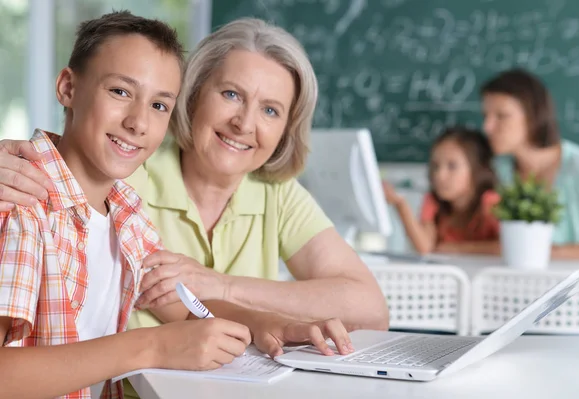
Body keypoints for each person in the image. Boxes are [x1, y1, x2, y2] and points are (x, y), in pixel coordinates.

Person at [0, 17, 387, 353]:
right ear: (194, 95)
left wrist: (241, 302)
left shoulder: (127, 210)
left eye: (270, 110)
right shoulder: (125, 172)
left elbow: (370, 308)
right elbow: (69, 160)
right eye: (231, 94)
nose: (245, 123)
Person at [0, 11, 253, 399]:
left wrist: (275, 327)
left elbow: (184, 308)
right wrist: (151, 346)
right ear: (68, 88)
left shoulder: (126, 215)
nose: (139, 123)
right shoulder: (21, 202)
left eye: (159, 106)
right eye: (120, 92)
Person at [481, 68, 579, 259]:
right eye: (485, 116)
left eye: (501, 116)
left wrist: (545, 252)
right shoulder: (496, 170)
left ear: (533, 115)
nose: (487, 127)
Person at [383, 127, 499, 255]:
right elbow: (425, 248)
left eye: (452, 166)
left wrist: (456, 249)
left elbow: (507, 248)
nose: (439, 175)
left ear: (477, 170)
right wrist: (400, 204)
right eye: (435, 166)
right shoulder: (433, 201)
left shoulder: (490, 202)